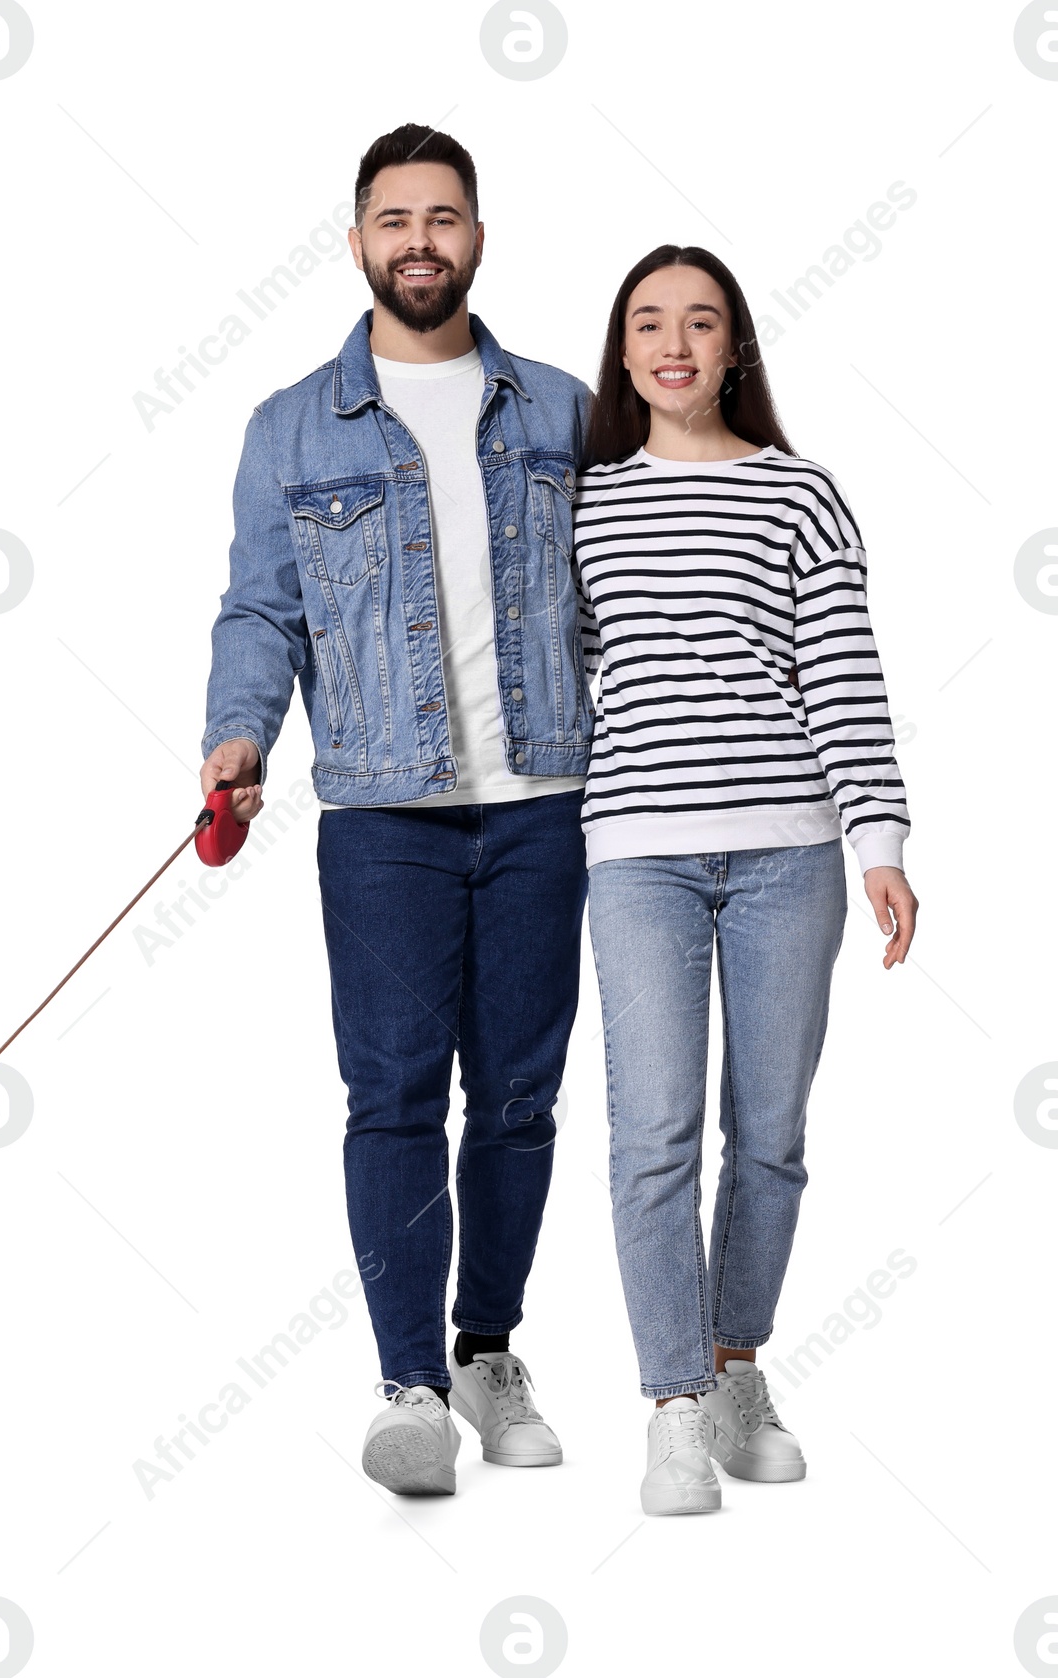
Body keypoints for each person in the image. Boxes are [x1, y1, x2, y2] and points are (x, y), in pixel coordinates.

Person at [200, 124, 595, 1495]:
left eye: (443, 217)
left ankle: (487, 1346)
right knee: (392, 1097)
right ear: (358, 238)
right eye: (394, 219)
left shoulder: (560, 410)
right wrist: (238, 734)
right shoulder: (290, 425)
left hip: (545, 800)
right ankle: (410, 1381)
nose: (418, 240)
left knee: (523, 1100)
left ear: (477, 234)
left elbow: (620, 600)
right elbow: (261, 606)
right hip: (381, 813)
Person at [573, 245, 918, 1515]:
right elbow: (555, 681)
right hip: (637, 854)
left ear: (732, 348)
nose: (674, 343)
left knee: (766, 1138)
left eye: (700, 323)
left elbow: (843, 673)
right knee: (652, 1132)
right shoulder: (583, 502)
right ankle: (670, 1407)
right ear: (622, 352)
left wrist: (878, 845)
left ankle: (734, 1370)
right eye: (649, 323)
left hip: (789, 852)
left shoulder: (799, 494)